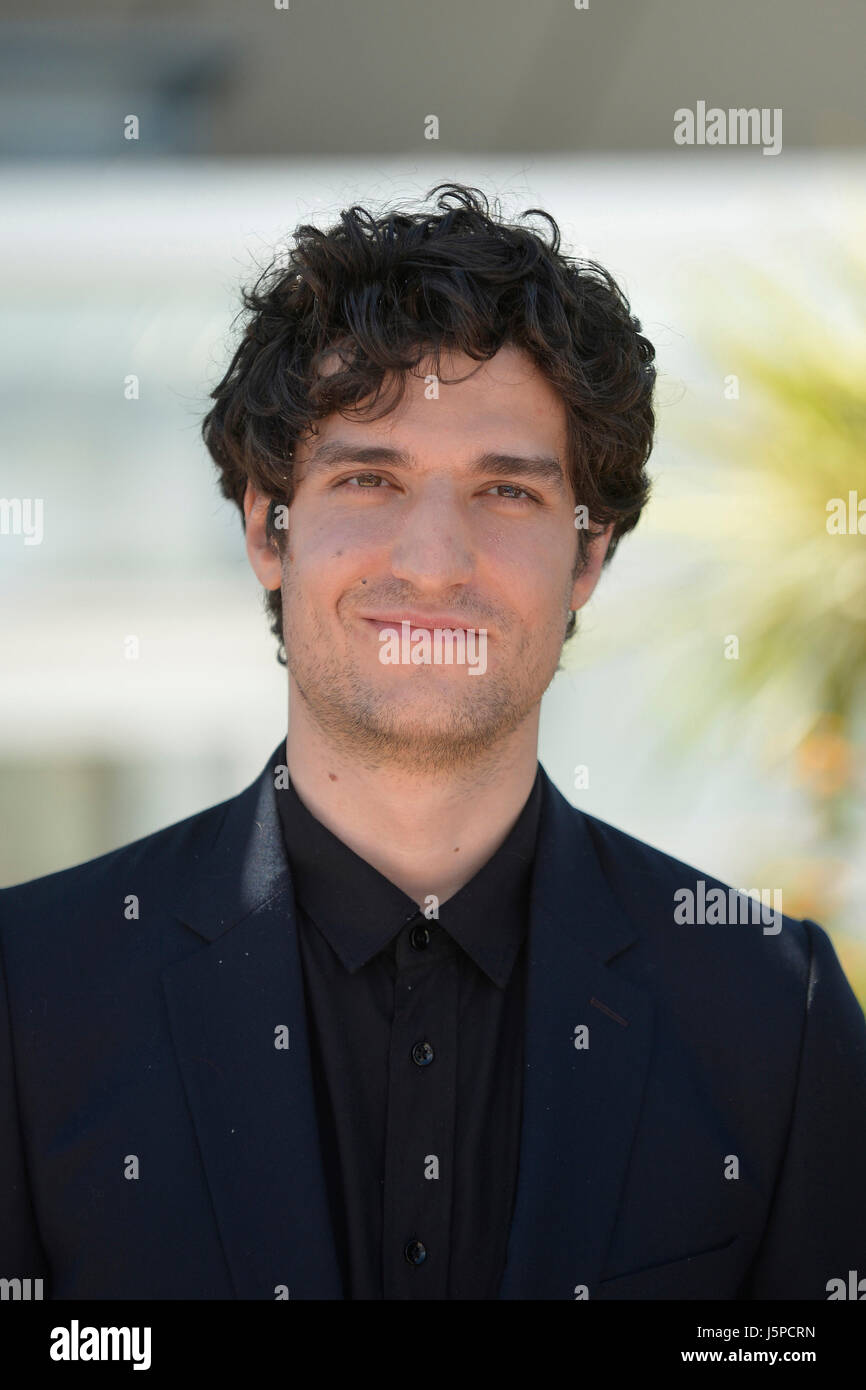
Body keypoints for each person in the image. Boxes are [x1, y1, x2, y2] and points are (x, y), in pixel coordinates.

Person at [1, 183, 864, 1301]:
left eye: (505, 490)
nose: (434, 560)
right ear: (270, 527)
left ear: (586, 558)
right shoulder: (32, 995)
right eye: (371, 478)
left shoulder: (770, 1016)